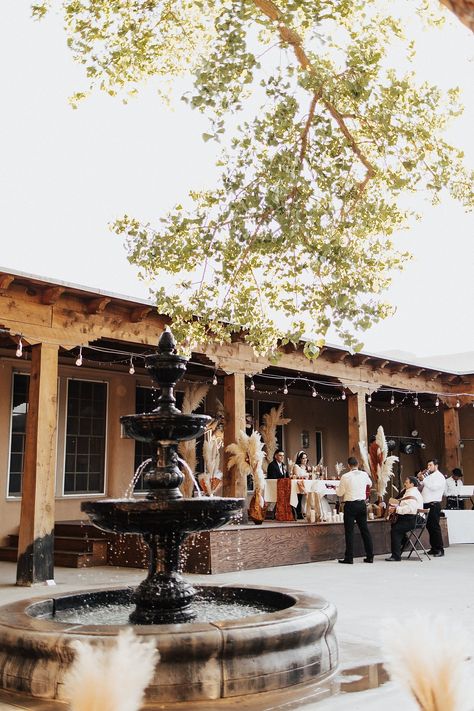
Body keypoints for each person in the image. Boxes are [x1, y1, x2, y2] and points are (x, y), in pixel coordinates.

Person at [336, 456, 374, 564]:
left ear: (348, 465)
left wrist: (336, 489)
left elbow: (340, 493)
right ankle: (370, 556)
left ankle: (349, 558)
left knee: (349, 531)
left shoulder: (345, 476)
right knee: (365, 530)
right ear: (357, 464)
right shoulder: (364, 474)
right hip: (362, 505)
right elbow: (370, 484)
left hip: (351, 505)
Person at [385, 476, 424, 561]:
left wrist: (396, 509)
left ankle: (396, 555)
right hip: (412, 517)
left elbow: (410, 508)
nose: (405, 484)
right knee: (394, 524)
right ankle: (404, 542)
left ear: (412, 484)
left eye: (406, 482)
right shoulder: (410, 492)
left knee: (395, 530)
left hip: (414, 519)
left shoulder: (412, 493)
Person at [419, 459, 446, 557]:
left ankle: (440, 549)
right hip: (426, 504)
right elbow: (423, 486)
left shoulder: (440, 477)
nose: (428, 467)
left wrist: (424, 480)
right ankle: (434, 548)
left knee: (435, 527)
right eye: (428, 465)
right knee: (429, 526)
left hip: (433, 504)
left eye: (430, 465)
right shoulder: (429, 476)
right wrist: (420, 479)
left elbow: (434, 487)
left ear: (436, 466)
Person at [291, 451, 310, 519]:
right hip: (298, 485)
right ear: (299, 459)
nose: (305, 460)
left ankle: (307, 512)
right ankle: (299, 513)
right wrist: (307, 475)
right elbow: (297, 475)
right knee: (299, 498)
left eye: (306, 458)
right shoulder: (296, 466)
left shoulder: (307, 467)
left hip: (306, 485)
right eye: (303, 458)